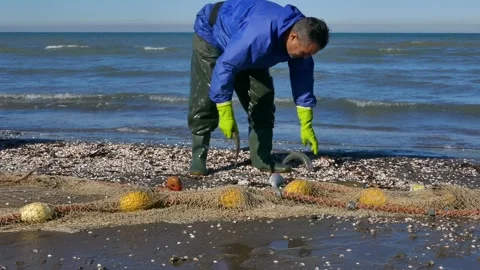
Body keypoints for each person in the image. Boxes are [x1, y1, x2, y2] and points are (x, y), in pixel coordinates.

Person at [187, 0, 329, 175]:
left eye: (311, 54)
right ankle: (198, 158)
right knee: (205, 98)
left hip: (247, 43)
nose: (307, 57)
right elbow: (226, 66)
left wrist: (306, 123)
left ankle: (261, 158)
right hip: (212, 34)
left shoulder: (302, 46)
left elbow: (303, 79)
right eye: (305, 52)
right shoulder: (258, 35)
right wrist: (225, 110)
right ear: (293, 37)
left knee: (263, 99)